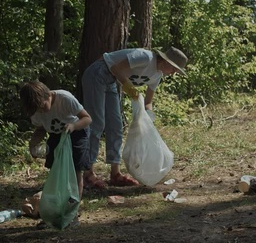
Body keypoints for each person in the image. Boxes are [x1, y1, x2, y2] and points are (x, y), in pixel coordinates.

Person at [81, 46, 188, 188]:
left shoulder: (157, 75)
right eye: (174, 68)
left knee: (116, 126)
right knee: (97, 123)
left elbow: (148, 102)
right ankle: (88, 173)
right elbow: (116, 68)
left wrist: (148, 119)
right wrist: (132, 91)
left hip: (112, 81)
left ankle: (115, 174)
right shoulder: (145, 57)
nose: (174, 73)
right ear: (166, 61)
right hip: (99, 73)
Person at [20, 81, 92, 201]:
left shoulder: (65, 98)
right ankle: (59, 202)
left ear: (47, 95)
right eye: (38, 110)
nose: (41, 111)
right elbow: (41, 129)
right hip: (55, 135)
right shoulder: (35, 110)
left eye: (42, 106)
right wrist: (33, 143)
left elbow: (87, 118)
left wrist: (73, 126)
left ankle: (73, 208)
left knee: (75, 170)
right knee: (56, 169)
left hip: (77, 133)